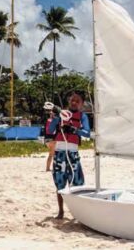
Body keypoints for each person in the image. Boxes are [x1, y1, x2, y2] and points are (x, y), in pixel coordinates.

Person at [46, 91, 90, 219]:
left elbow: (87, 133)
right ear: (69, 101)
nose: (74, 103)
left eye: (77, 101)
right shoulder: (61, 114)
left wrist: (74, 130)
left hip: (73, 153)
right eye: (72, 100)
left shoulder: (82, 116)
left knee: (77, 182)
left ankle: (78, 212)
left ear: (82, 104)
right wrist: (55, 119)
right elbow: (50, 130)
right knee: (59, 182)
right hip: (60, 152)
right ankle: (61, 211)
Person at [43, 102, 57, 172]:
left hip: (46, 139)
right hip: (52, 139)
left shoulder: (46, 120)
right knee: (54, 155)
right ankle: (52, 168)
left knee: (51, 154)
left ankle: (48, 168)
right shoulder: (52, 121)